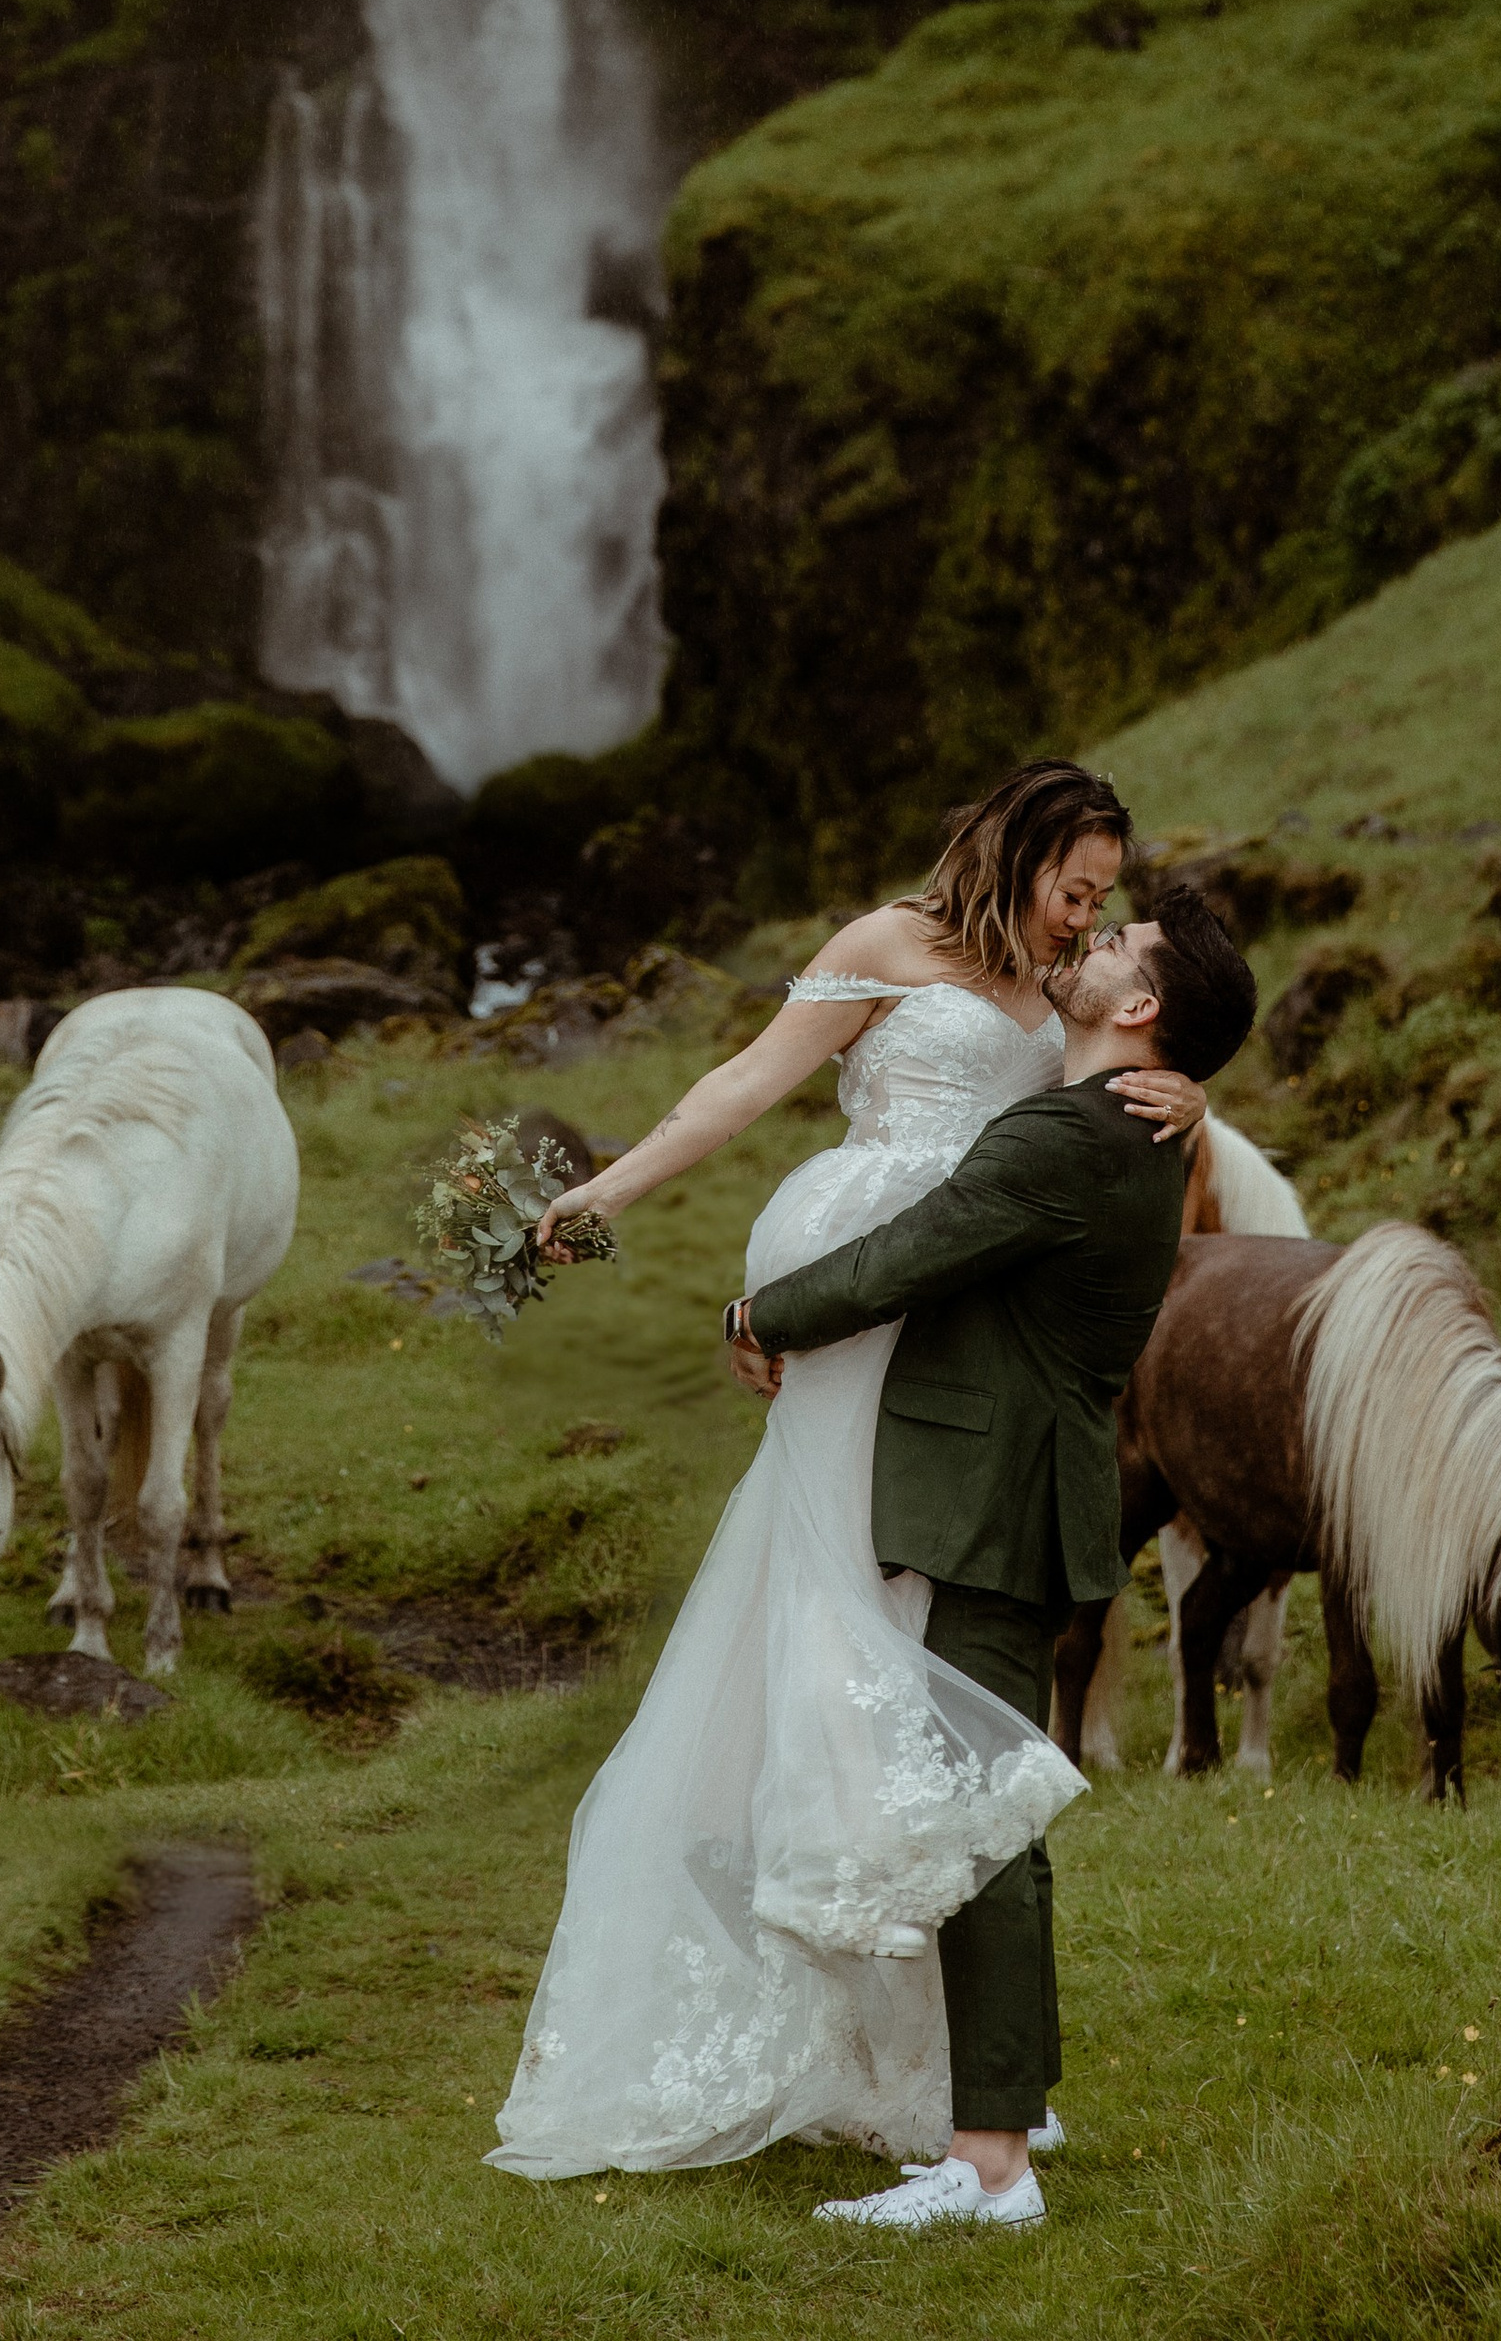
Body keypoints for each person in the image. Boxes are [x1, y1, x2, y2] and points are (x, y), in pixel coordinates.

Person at [486, 762, 1213, 2184]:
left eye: (1104, 907)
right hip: (867, 1283)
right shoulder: (884, 946)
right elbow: (744, 1087)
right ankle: (896, 2035)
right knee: (838, 1614)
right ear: (1015, 849)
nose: (1084, 920)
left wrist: (1185, 1087)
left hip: (959, 1318)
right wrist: (608, 1189)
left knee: (905, 1636)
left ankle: (950, 2071)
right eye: (1076, 889)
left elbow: (1101, 1103)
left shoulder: (1072, 1001)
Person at [733, 889, 1259, 2232]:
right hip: (1024, 1491)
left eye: (1116, 941)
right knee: (990, 1817)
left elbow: (917, 1249)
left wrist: (761, 1312)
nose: (1090, 943)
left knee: (982, 1822)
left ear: (1140, 1007)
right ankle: (1000, 2118)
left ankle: (989, 2167)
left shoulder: (1070, 1140)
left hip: (996, 1497)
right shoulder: (1122, 1123)